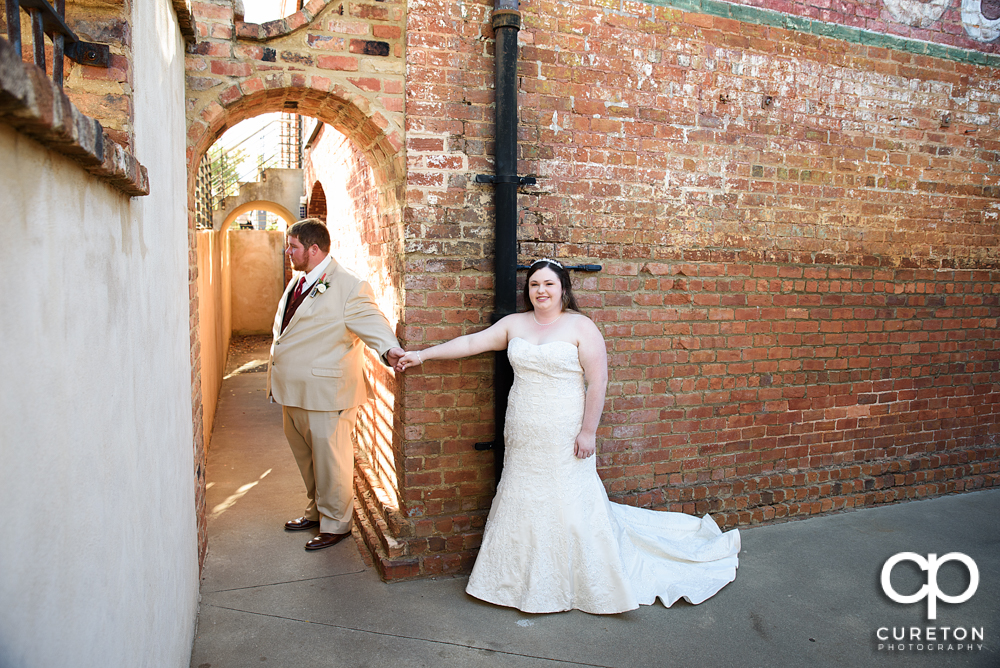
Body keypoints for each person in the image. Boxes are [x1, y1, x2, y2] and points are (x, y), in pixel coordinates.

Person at [396, 258, 740, 613]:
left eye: (548, 284)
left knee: (567, 497)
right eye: (534, 285)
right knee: (524, 495)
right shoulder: (514, 324)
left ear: (563, 289)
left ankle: (574, 581)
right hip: (523, 429)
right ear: (527, 290)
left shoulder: (581, 326)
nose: (541, 291)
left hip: (565, 430)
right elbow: (470, 344)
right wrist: (421, 355)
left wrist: (588, 431)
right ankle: (512, 582)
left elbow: (598, 381)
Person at [268, 218, 404, 551]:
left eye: (293, 246)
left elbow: (371, 320)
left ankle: (337, 524)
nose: (288, 251)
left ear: (313, 249)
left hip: (327, 394)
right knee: (308, 460)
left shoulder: (349, 286)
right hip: (294, 391)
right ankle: (316, 511)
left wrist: (390, 350)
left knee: (333, 463)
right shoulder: (298, 282)